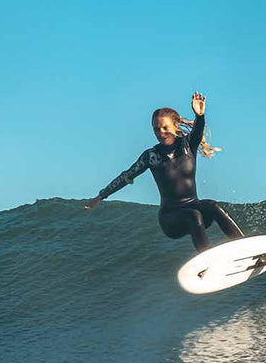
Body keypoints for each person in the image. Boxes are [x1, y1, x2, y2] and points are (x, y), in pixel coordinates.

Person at [83, 92, 245, 252]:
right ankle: (206, 257)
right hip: (171, 218)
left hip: (193, 206)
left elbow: (197, 129)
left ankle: (245, 245)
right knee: (194, 216)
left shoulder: (187, 145)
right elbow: (127, 175)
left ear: (175, 126)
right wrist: (101, 196)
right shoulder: (151, 156)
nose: (160, 133)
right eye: (156, 129)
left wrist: (200, 115)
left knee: (214, 207)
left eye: (165, 128)